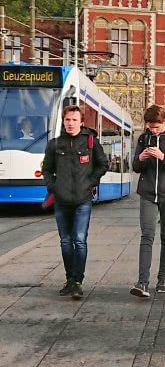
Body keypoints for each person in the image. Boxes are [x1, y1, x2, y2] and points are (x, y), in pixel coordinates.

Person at [41, 105, 108, 299]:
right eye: (67, 120)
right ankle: (69, 279)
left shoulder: (90, 142)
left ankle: (78, 281)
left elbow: (102, 164)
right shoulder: (55, 144)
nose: (70, 123)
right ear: (63, 121)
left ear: (81, 122)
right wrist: (53, 186)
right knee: (65, 241)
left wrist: (90, 183)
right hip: (61, 200)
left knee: (79, 240)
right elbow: (46, 169)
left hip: (82, 199)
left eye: (74, 120)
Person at [130, 105, 165, 298]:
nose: (153, 130)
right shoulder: (143, 138)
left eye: (156, 127)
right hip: (147, 193)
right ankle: (142, 282)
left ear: (164, 123)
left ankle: (162, 278)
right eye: (150, 127)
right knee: (147, 236)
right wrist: (141, 157)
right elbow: (136, 167)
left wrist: (163, 157)